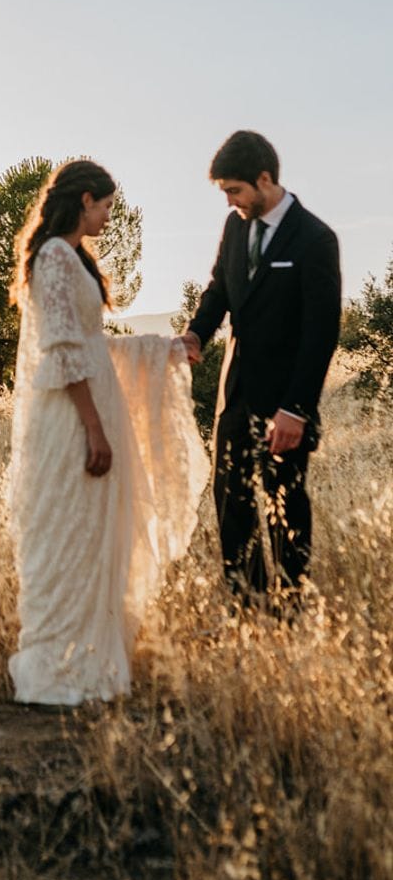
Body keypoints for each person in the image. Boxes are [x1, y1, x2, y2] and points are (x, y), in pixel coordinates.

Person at [8, 160, 209, 706]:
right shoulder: (51, 257)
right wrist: (95, 431)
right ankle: (59, 668)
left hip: (95, 410)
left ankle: (92, 660)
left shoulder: (74, 257)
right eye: (106, 207)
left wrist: (162, 350)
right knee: (70, 531)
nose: (109, 217)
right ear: (85, 199)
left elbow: (94, 346)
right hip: (72, 420)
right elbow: (63, 352)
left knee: (97, 532)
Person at [181, 130, 341, 608]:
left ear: (265, 179)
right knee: (231, 504)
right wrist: (195, 333)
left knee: (285, 508)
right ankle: (245, 606)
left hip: (284, 401)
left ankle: (292, 608)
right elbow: (220, 290)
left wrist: (296, 409)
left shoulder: (315, 238)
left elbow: (320, 334)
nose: (230, 201)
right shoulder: (235, 227)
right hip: (237, 392)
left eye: (235, 190)